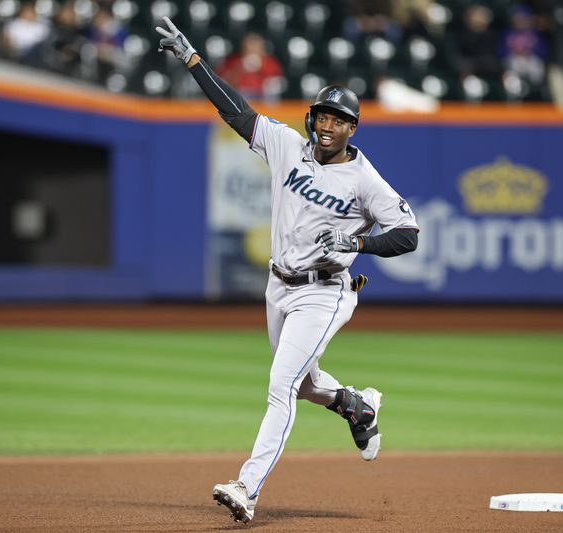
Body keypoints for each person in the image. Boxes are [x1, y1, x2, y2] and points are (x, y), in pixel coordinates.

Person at [156, 17, 419, 524]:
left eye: (337, 120)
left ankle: (247, 486)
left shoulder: (366, 181)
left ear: (352, 129)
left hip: (326, 293)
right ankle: (355, 405)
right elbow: (235, 111)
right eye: (321, 116)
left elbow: (408, 235)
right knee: (300, 384)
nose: (326, 126)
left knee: (280, 384)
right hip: (279, 285)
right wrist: (193, 61)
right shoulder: (285, 147)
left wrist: (358, 242)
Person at [216, 32, 284, 101]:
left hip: (263, 95)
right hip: (241, 94)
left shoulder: (270, 62)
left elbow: (277, 81)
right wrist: (239, 68)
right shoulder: (233, 61)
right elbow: (222, 80)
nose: (252, 49)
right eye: (249, 46)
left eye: (255, 47)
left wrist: (262, 67)